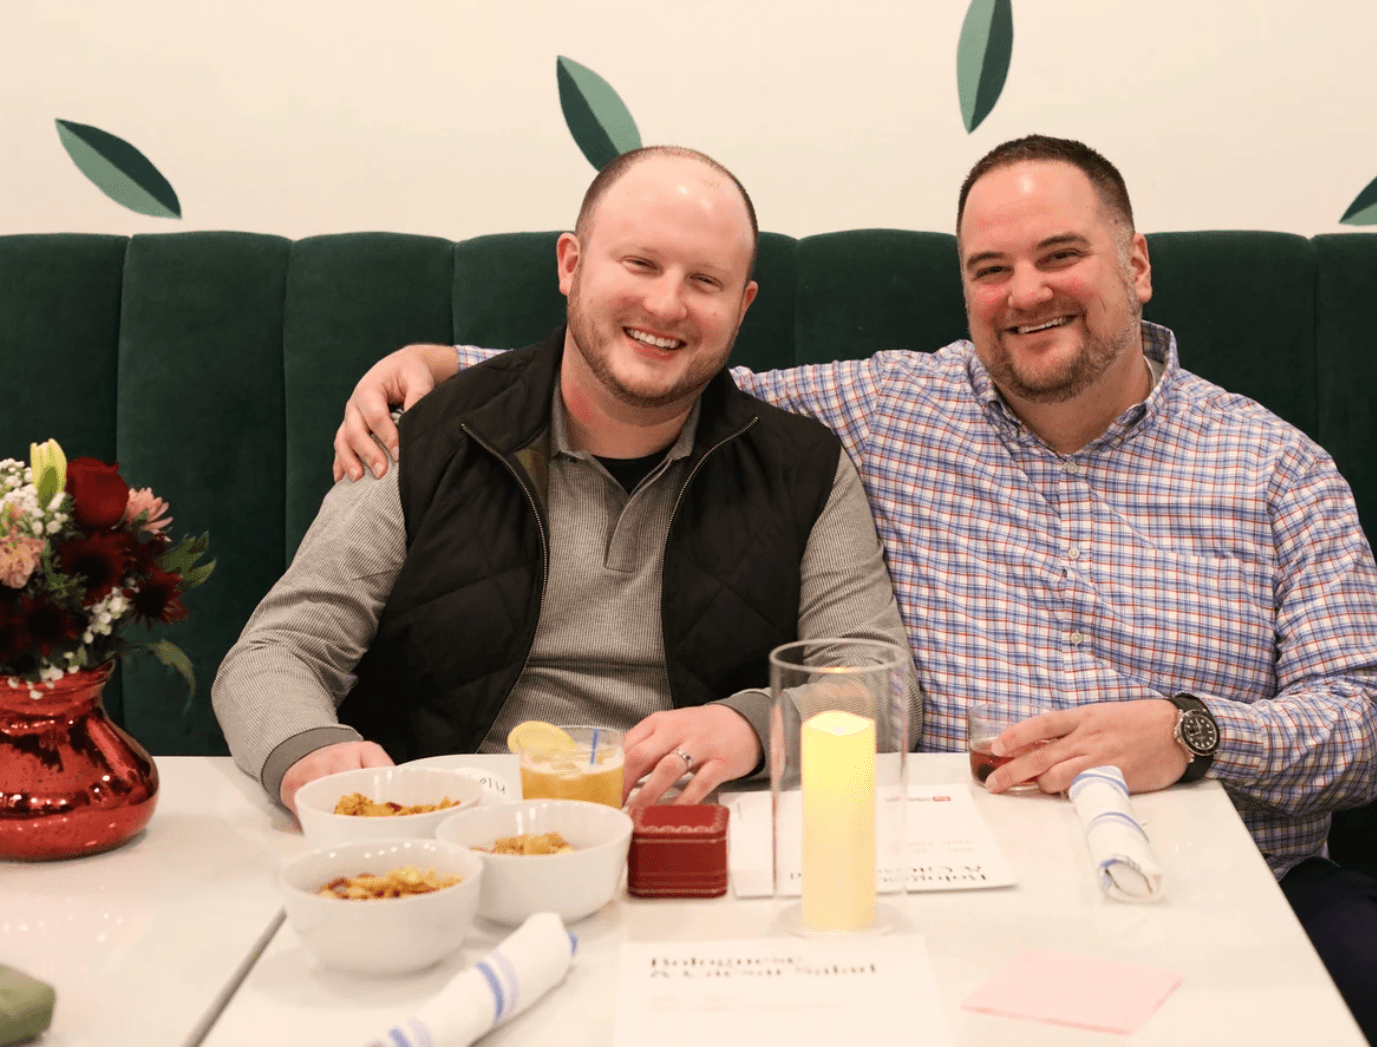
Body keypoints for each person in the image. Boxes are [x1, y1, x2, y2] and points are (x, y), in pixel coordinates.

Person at [332, 135, 1377, 1047]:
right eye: (990, 269)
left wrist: (1191, 729)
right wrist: (443, 365)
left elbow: (1368, 717)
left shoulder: (1276, 468)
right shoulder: (892, 409)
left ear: (1137, 265)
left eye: (1060, 255)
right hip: (949, 877)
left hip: (1238, 874)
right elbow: (666, 368)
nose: (1026, 294)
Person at [212, 146, 918, 817]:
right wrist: (310, 752)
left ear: (743, 304)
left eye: (706, 281)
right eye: (640, 263)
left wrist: (753, 727)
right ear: (571, 265)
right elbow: (278, 651)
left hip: (698, 828)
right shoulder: (425, 434)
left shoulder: (806, 468)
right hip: (455, 833)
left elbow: (877, 690)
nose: (668, 305)